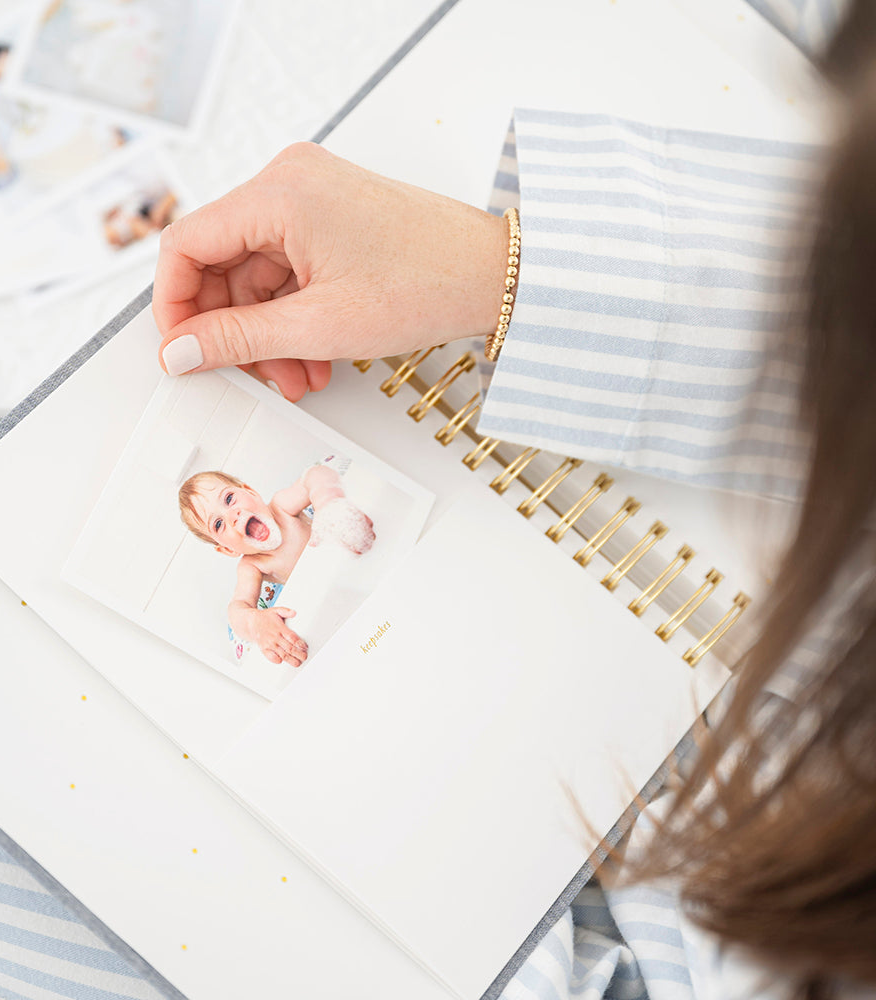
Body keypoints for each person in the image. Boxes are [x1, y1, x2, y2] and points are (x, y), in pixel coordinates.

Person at [151, 8, 876, 1000]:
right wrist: (491, 268)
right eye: (221, 520)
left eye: (232, 500)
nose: (241, 520)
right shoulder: (248, 566)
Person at [178, 465, 375, 665]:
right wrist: (256, 624)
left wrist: (328, 504)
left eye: (229, 499)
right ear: (228, 549)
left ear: (250, 491)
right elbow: (237, 609)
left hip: (353, 563)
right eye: (218, 524)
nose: (232, 515)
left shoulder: (282, 508)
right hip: (331, 596)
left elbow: (315, 475)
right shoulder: (252, 566)